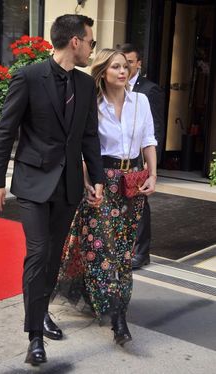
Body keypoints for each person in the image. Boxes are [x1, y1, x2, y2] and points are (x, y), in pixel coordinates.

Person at [0, 14, 104, 366]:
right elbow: (5, 130)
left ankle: (41, 312)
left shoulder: (85, 85)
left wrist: (96, 179)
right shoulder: (28, 76)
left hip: (68, 186)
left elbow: (89, 136)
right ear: (74, 42)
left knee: (53, 258)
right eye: (90, 42)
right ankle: (34, 336)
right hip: (34, 182)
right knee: (38, 254)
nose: (91, 48)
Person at [56, 49, 157, 346]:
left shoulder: (141, 101)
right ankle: (117, 318)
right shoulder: (93, 104)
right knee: (102, 247)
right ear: (103, 72)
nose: (123, 72)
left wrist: (153, 174)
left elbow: (149, 140)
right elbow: (87, 148)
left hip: (133, 183)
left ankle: (108, 299)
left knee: (124, 251)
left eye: (125, 66)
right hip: (102, 180)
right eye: (116, 67)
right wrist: (89, 182)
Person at [119, 43, 165, 270]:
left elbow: (155, 129)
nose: (124, 66)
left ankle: (142, 252)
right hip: (116, 161)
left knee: (139, 207)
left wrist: (150, 166)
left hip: (138, 160)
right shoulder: (112, 87)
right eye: (121, 61)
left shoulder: (149, 90)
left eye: (129, 61)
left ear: (138, 63)